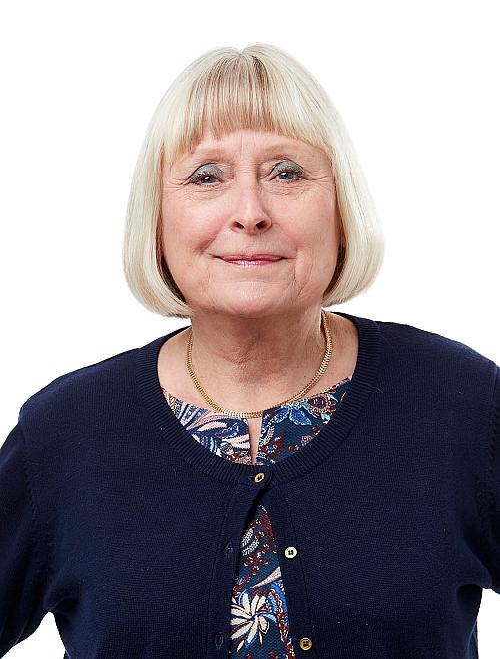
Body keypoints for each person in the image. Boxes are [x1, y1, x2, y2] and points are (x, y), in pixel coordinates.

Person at [1, 43, 499, 659]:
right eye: (207, 177)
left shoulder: (461, 403)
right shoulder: (64, 434)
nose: (250, 213)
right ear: (156, 217)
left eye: (286, 173)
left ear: (340, 206)